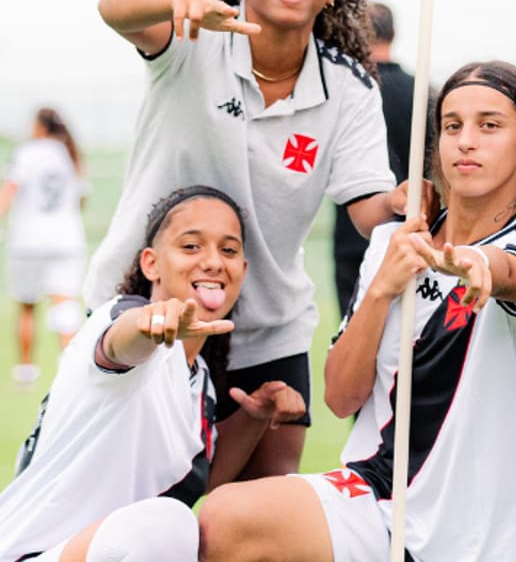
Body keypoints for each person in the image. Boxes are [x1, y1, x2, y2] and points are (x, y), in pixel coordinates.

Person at [89, 0, 411, 479]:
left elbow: (368, 206)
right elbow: (114, 6)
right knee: (131, 500)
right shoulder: (192, 40)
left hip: (268, 331)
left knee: (258, 510)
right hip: (149, 308)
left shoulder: (350, 87)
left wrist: (401, 199)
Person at [198, 61, 516, 562]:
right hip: (373, 497)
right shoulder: (392, 243)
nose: (466, 141)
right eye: (453, 126)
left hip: (473, 530)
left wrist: (481, 263)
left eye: (489, 125)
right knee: (225, 519)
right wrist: (382, 289)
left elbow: (513, 270)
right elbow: (340, 398)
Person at [0, 186, 304, 562]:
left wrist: (254, 417)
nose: (213, 262)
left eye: (228, 250)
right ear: (151, 264)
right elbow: (119, 346)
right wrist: (147, 325)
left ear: (242, 270)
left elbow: (203, 478)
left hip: (103, 553)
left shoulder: (200, 380)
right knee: (168, 524)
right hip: (28, 554)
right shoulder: (120, 318)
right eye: (191, 246)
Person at [332, 1, 417, 317]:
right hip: (410, 234)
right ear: (393, 34)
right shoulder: (421, 92)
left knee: (353, 331)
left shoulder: (348, 91)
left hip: (353, 237)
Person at [0, 107, 88, 385]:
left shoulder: (27, 153)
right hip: (66, 241)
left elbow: (9, 191)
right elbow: (81, 199)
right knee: (65, 303)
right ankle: (70, 368)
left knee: (27, 305)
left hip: (28, 241)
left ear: (40, 127)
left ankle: (26, 370)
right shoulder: (70, 154)